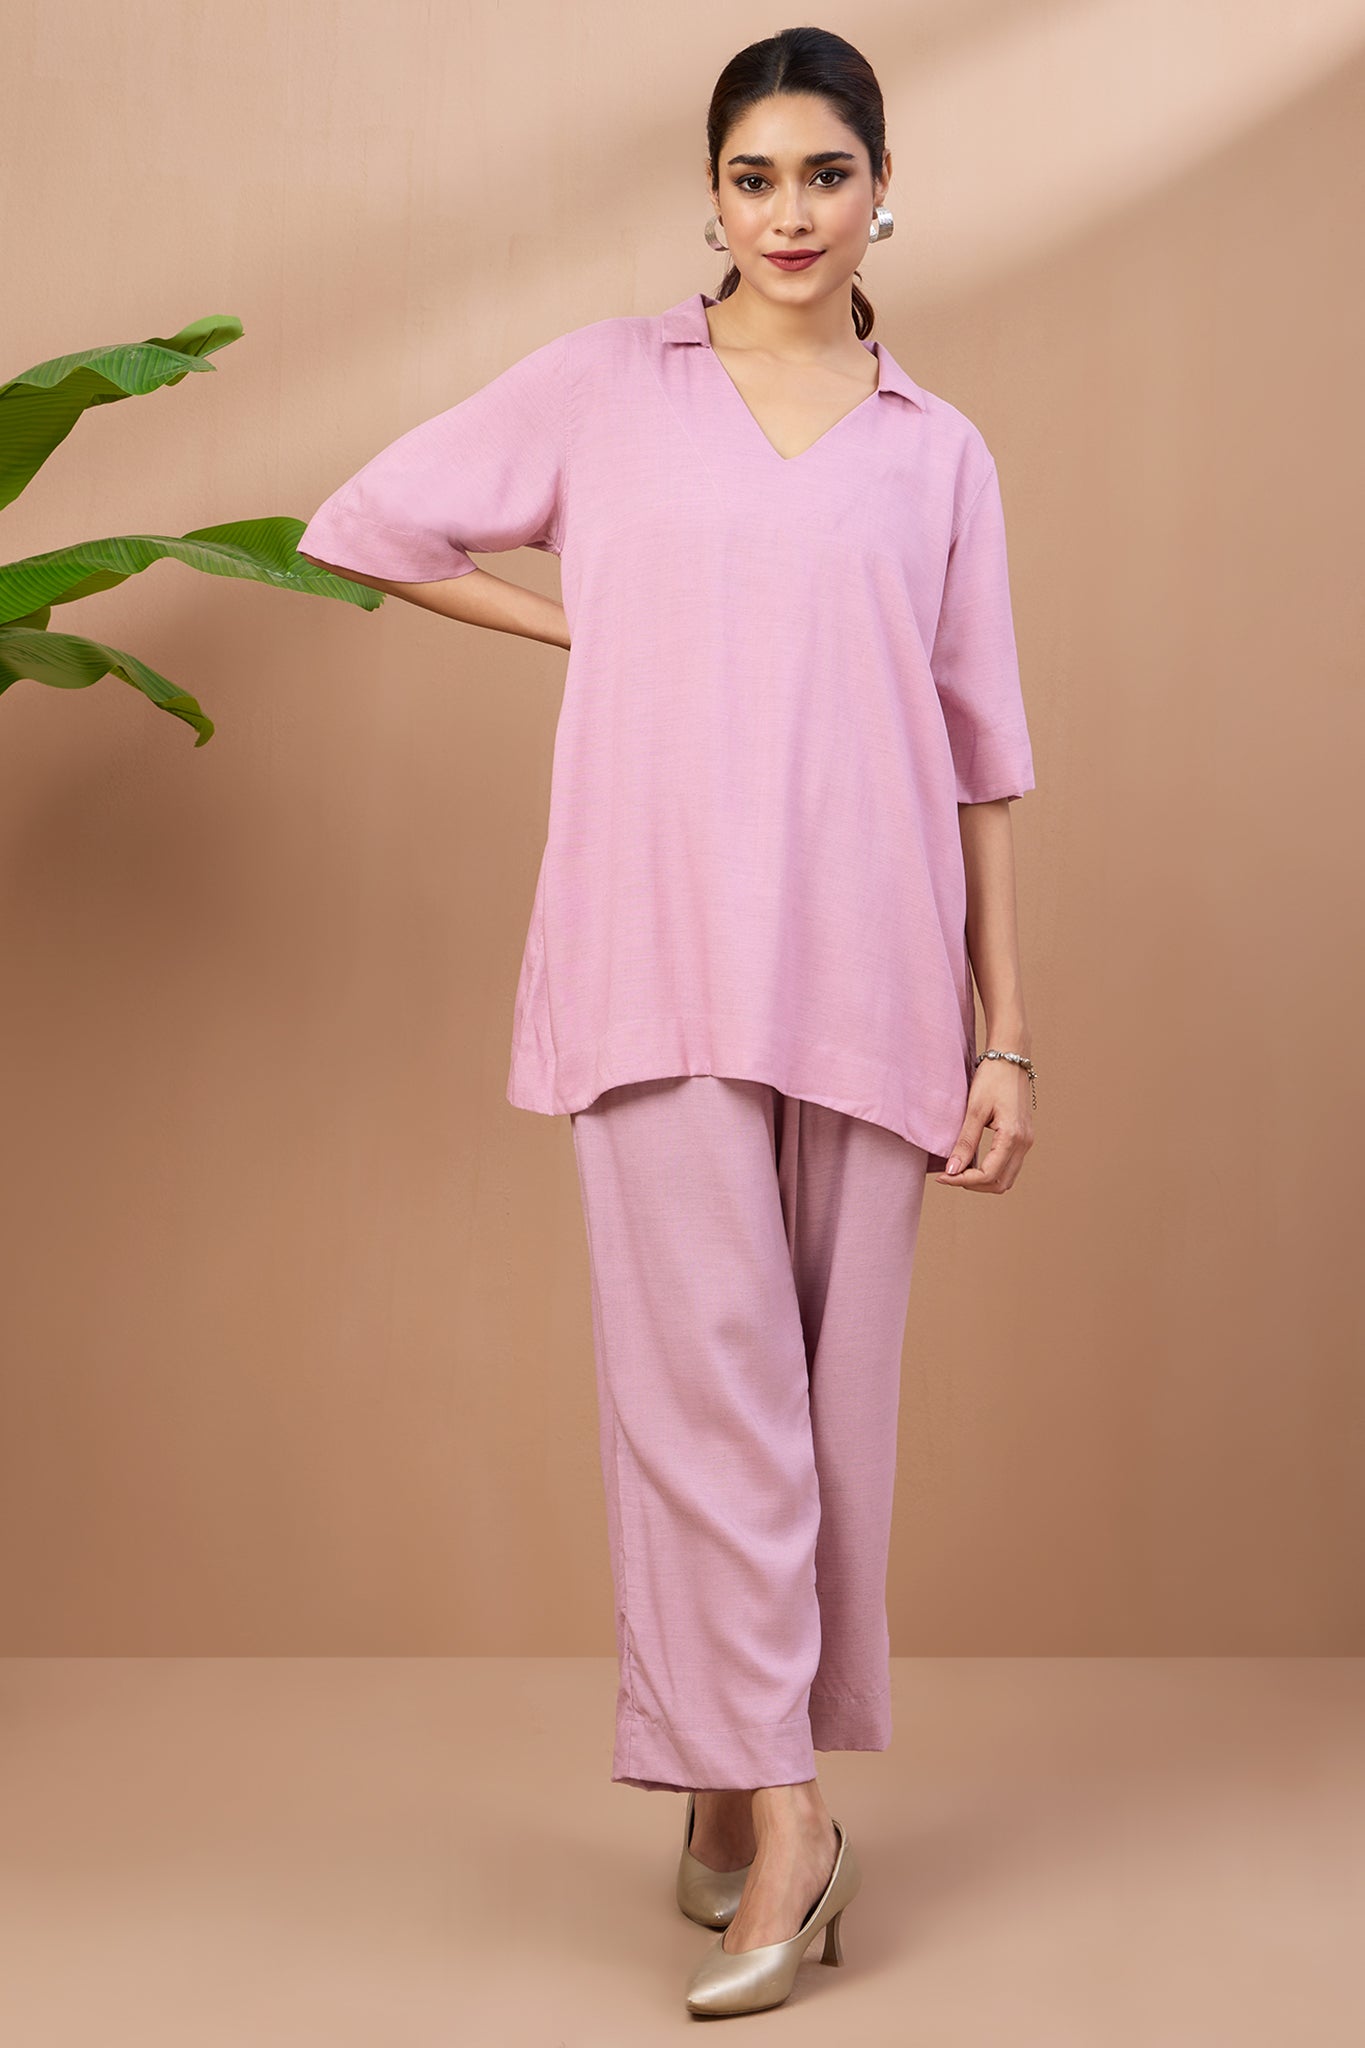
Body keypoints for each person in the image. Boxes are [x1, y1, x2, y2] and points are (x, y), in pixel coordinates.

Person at [297, 25, 1039, 2020]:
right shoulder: (605, 390)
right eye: (750, 176)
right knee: (708, 1403)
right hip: (653, 958)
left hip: (874, 974)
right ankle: (789, 1823)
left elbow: (980, 759)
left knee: (826, 1416)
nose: (787, 213)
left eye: (822, 174)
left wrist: (1005, 1032)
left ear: (882, 187)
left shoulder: (935, 451)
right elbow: (365, 523)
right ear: (708, 195)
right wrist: (581, 619)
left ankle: (722, 1776)